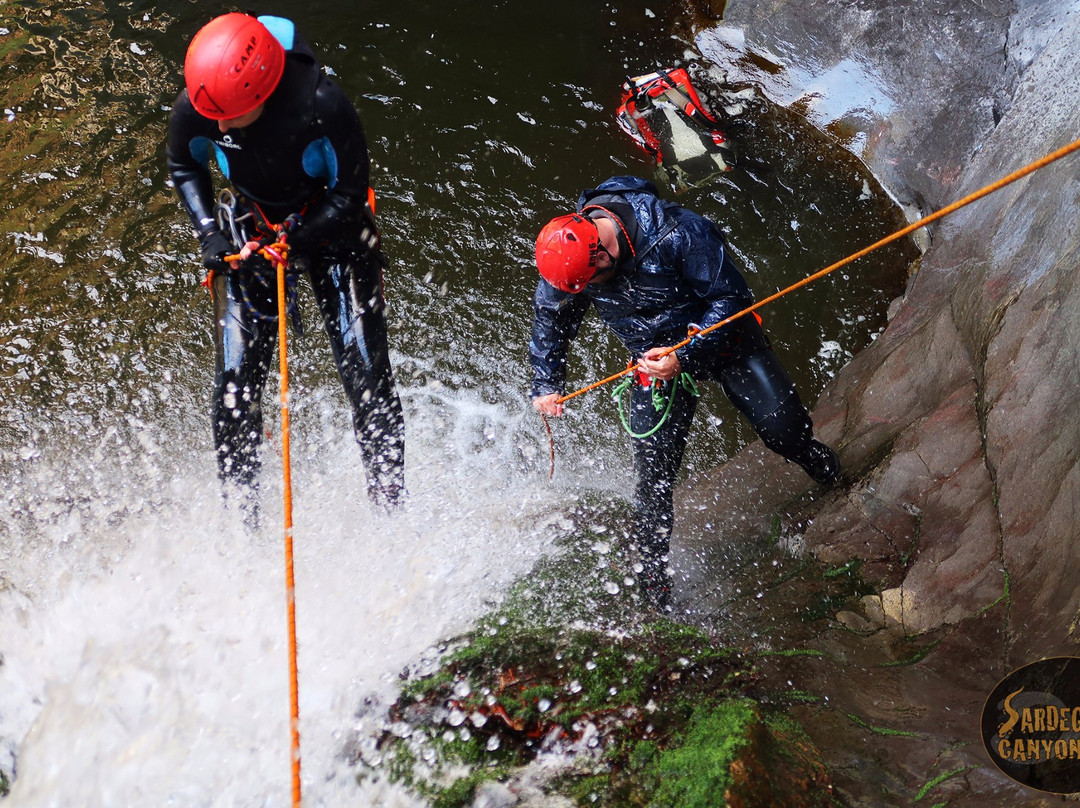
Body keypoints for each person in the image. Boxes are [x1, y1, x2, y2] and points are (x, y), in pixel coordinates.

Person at [530, 176, 840, 610]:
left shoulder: (678, 232)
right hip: (652, 364)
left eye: (594, 280)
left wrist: (688, 352)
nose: (592, 289)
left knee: (782, 431)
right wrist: (546, 382)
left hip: (724, 342)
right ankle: (654, 587)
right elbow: (551, 315)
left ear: (599, 247)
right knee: (653, 478)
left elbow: (731, 299)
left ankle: (811, 456)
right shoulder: (572, 260)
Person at [166, 13, 406, 521]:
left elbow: (348, 192)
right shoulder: (203, 102)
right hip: (252, 227)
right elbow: (185, 164)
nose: (221, 127)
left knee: (367, 376)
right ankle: (242, 517)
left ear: (261, 94)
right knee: (234, 385)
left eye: (230, 117)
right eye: (214, 117)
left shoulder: (322, 106)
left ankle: (390, 510)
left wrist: (296, 237)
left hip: (332, 229)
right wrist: (209, 231)